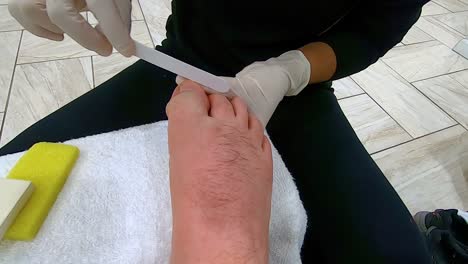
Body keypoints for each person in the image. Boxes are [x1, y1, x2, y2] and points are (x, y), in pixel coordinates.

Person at [3, 0, 432, 262]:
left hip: (289, 90)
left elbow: (371, 32)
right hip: (181, 65)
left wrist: (295, 70)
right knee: (10, 189)